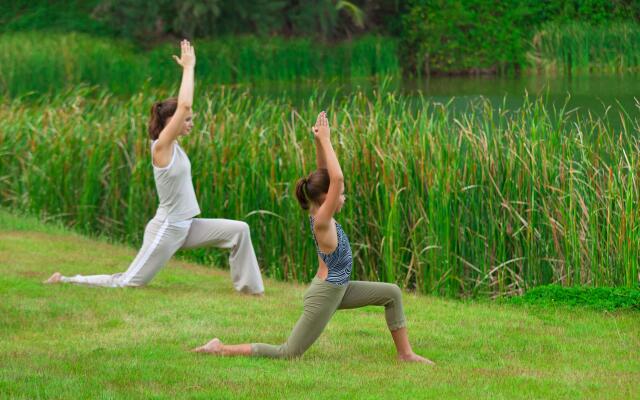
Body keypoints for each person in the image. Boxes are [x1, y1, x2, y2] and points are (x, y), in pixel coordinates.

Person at [192, 111, 434, 363]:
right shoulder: (321, 222)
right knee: (288, 353)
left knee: (392, 293)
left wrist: (318, 141)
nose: (343, 197)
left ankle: (405, 354)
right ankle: (220, 347)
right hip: (325, 294)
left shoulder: (318, 208)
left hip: (339, 288)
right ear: (325, 198)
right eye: (339, 195)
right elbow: (337, 179)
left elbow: (324, 173)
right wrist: (328, 140)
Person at [45, 40, 264, 295]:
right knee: (128, 282)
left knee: (240, 230)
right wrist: (189, 68)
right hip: (167, 228)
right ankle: (66, 280)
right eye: (187, 120)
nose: (190, 122)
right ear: (169, 122)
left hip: (187, 226)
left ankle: (251, 291)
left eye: (191, 119)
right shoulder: (161, 147)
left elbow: (183, 108)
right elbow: (184, 105)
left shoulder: (176, 147)